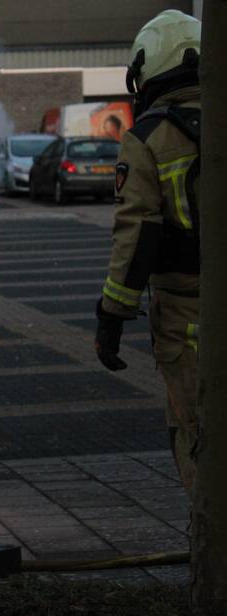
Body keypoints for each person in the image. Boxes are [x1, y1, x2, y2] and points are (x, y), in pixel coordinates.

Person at [95, 10, 202, 499]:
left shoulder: (148, 139)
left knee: (198, 435)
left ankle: (211, 561)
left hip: (188, 313)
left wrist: (112, 315)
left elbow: (137, 235)